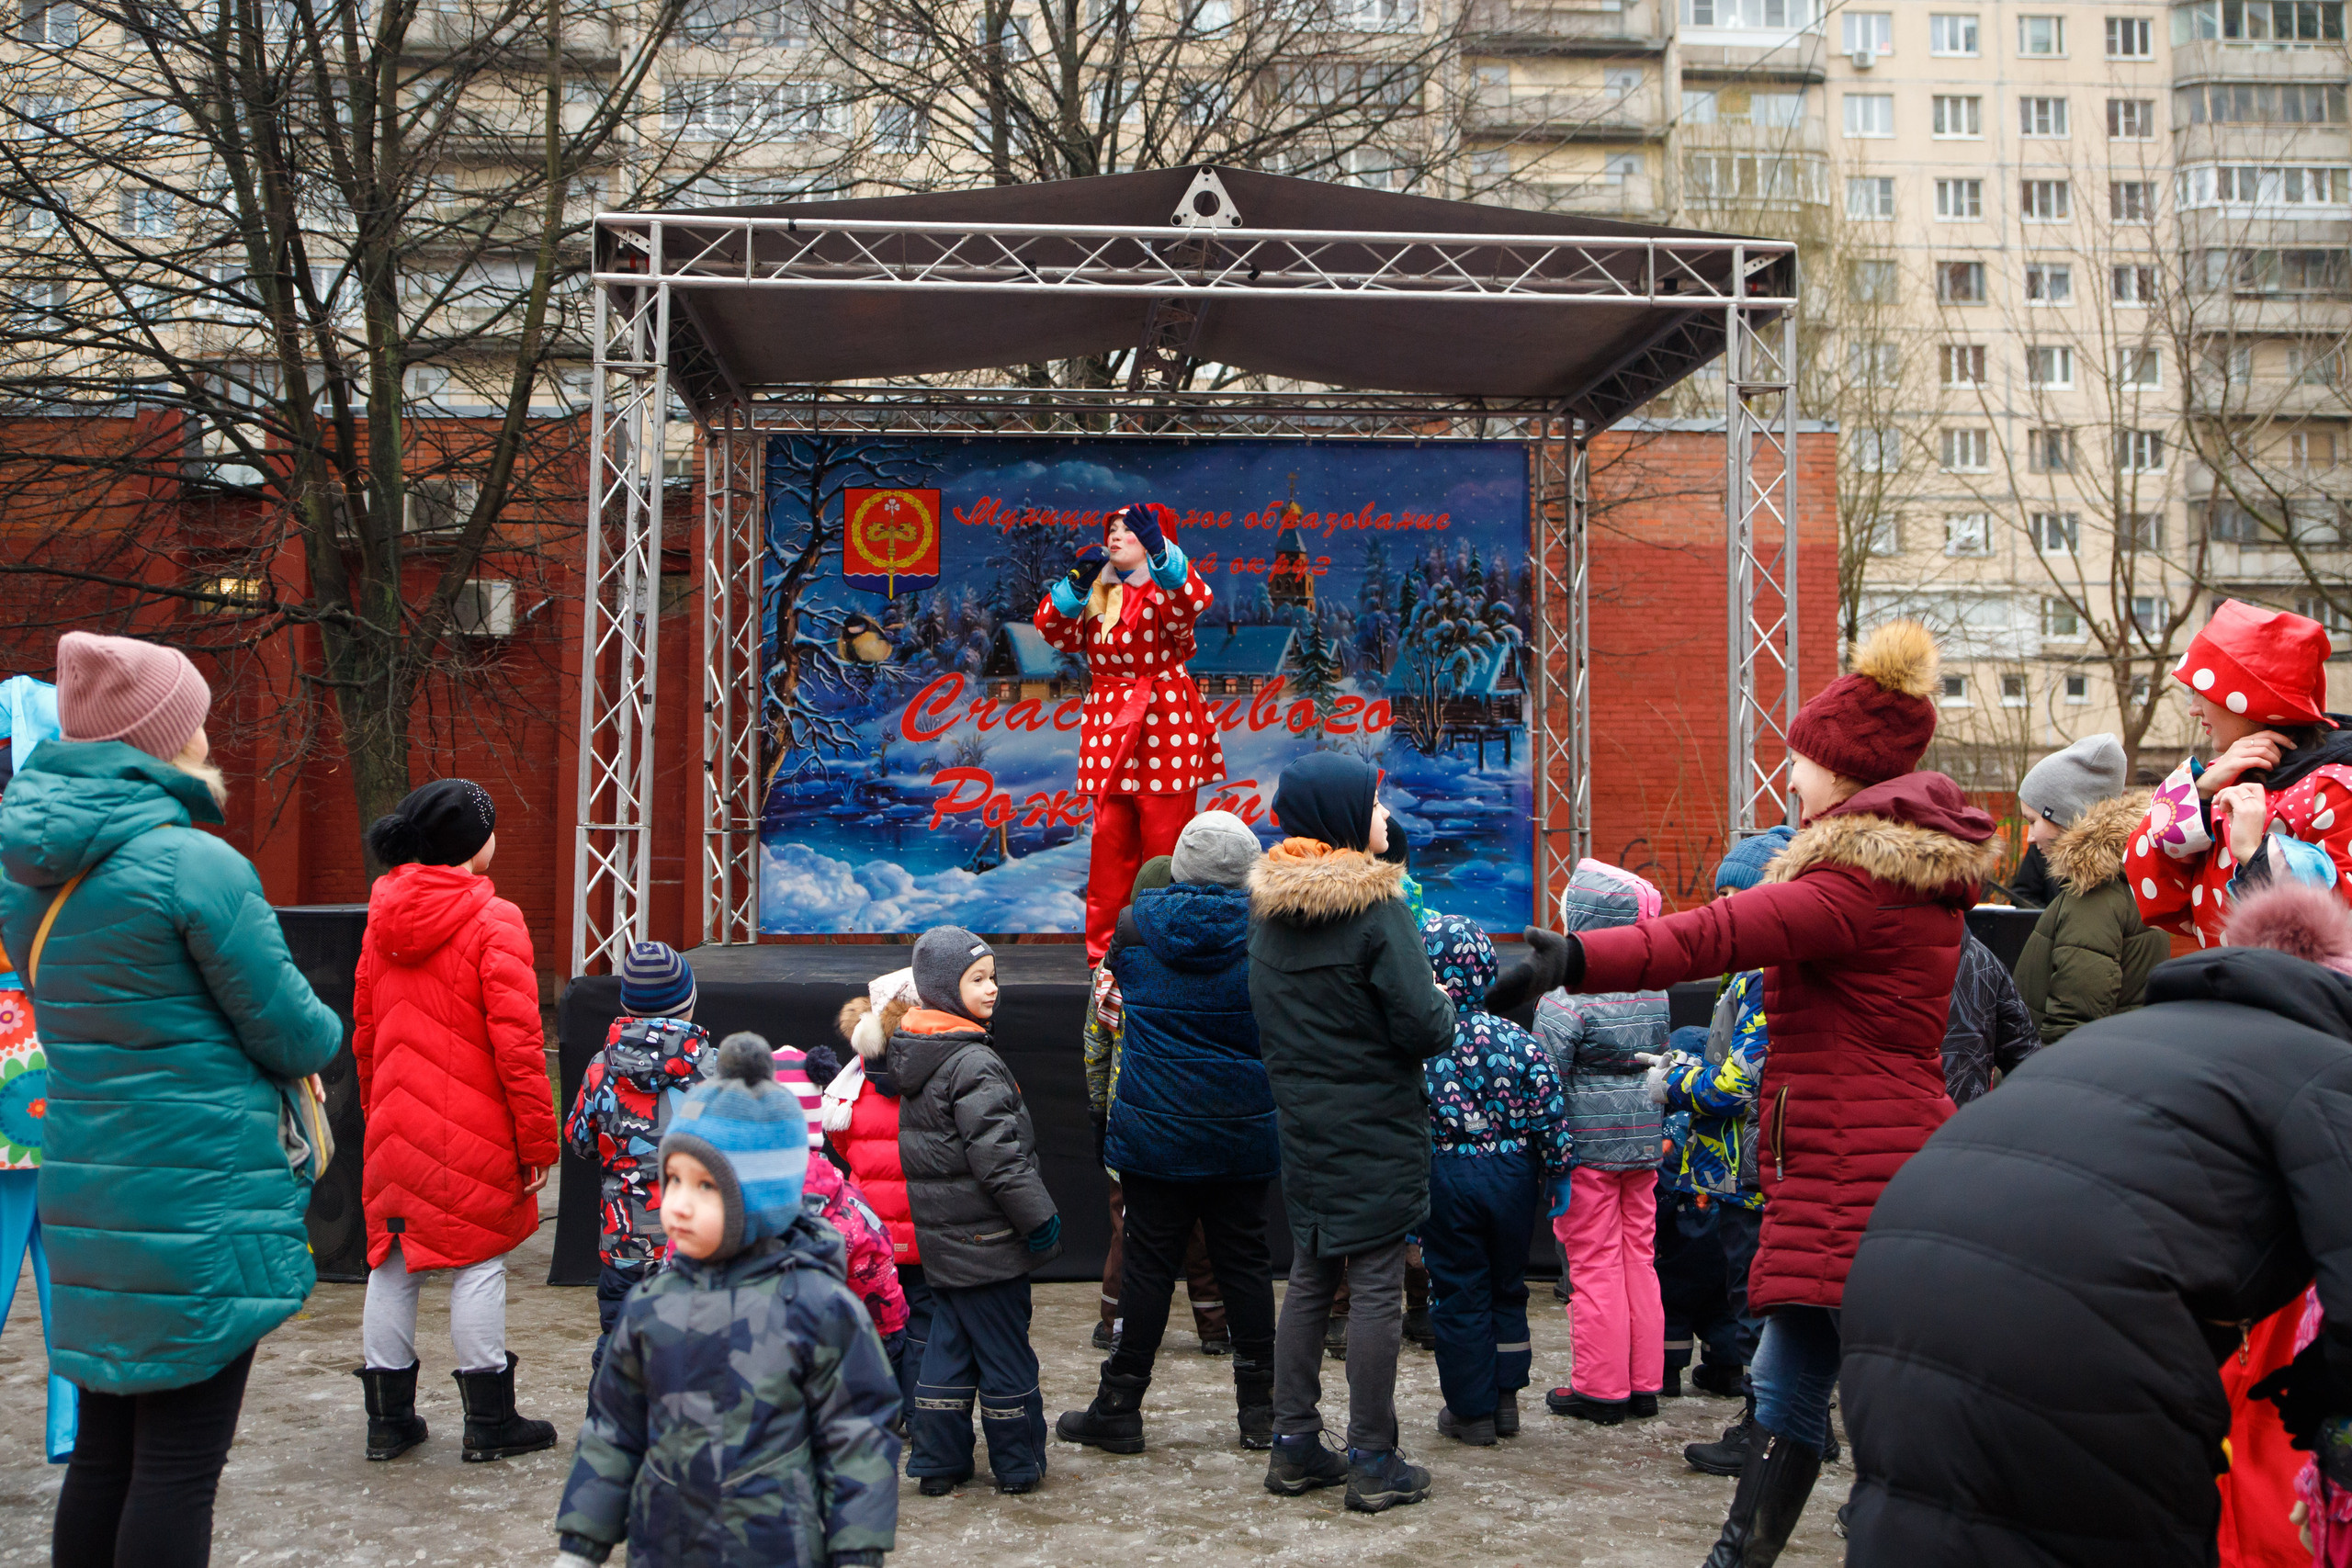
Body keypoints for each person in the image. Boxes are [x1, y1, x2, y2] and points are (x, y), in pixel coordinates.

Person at [1489, 620, 2001, 1568]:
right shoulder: (1884, 875)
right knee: (1797, 1373)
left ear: (1843, 773)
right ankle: (1751, 1554)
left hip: (1859, 1161)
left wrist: (1573, 958)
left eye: (1799, 760)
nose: (1788, 778)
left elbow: (1708, 937)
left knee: (1844, 1386)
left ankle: (1830, 1546)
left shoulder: (1855, 882)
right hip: (1857, 1151)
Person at [1838, 882, 2352, 1568]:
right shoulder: (2328, 1069)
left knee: (1933, 1523)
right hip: (2080, 1323)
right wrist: (2323, 1388)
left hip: (1894, 1284)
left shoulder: (2120, 1040)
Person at [0, 632, 342, 1566]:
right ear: (160, 738)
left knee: (106, 1454)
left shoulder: (32, 876)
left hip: (92, 1192)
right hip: (198, 1197)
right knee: (181, 1465)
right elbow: (296, 1032)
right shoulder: (196, 866)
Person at [553, 1033, 900, 1567]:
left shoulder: (817, 1308)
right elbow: (613, 1431)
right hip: (664, 1548)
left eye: (706, 1188)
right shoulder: (651, 1305)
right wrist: (582, 1543)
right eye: (672, 1180)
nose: (678, 1206)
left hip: (776, 1548)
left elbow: (858, 1436)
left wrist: (858, 1549)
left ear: (758, 1198)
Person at [1247, 751, 1457, 1515]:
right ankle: (1374, 1457)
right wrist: (1438, 996)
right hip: (1375, 1128)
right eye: (1372, 805)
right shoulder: (1376, 912)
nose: (1384, 818)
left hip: (1305, 1128)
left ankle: (1294, 1443)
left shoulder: (1269, 914)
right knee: (1375, 1286)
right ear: (1342, 817)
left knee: (1309, 1277)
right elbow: (1426, 1026)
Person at [351, 777, 561, 1464]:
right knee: (478, 1264)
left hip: (394, 1130)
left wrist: (378, 1114)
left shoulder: (380, 917)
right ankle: (489, 1422)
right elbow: (520, 1044)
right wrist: (536, 1139)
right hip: (472, 1132)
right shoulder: (493, 920)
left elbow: (366, 1032)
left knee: (393, 1262)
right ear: (472, 844)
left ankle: (388, 1422)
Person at [1058, 810, 1280, 1454]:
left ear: (1180, 865)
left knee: (1149, 1270)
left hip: (1155, 1134)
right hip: (1243, 1133)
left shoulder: (1132, 933)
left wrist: (1104, 1119)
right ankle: (1261, 1412)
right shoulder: (1270, 937)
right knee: (1246, 1266)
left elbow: (1105, 1024)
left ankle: (1119, 1407)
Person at [890, 926, 1062, 1495]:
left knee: (948, 1346)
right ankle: (1017, 1465)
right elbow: (1000, 1162)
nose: (993, 990)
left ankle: (938, 1463)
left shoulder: (918, 1055)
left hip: (943, 1244)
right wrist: (1039, 1221)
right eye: (978, 980)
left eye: (993, 977)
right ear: (943, 990)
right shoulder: (971, 1064)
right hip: (988, 1242)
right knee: (1005, 1351)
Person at [1034, 501, 1225, 963]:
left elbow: (1194, 602)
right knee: (1110, 842)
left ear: (1156, 542)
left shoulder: (1167, 589)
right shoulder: (1099, 591)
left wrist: (1162, 554)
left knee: (1164, 840)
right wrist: (1075, 585)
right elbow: (1052, 632)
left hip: (1165, 718)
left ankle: (1163, 949)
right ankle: (1105, 957)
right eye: (1112, 529)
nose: (1116, 535)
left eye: (1131, 530)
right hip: (1109, 721)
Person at [1417, 911, 1570, 1447]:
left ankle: (1471, 1410)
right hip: (1512, 1175)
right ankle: (1506, 1400)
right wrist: (1559, 1173)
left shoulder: (1420, 1042)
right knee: (1508, 1285)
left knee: (1459, 1292)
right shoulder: (1519, 1039)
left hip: (1447, 1172)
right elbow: (1549, 1110)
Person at [2128, 598, 2352, 949]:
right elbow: (2158, 896)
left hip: (2299, 1000)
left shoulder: (2335, 787)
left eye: (2203, 693)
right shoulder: (2220, 778)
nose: (2193, 709)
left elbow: (2340, 923)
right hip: (2224, 989)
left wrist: (2257, 854)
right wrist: (2200, 793)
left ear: (2252, 696)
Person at [1535, 860, 1670, 1426]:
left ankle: (1599, 1386)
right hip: (1642, 1143)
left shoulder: (1565, 997)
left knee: (1592, 1265)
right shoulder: (1655, 988)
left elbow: (1545, 1080)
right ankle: (1644, 1382)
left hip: (1586, 1150)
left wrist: (1548, 1155)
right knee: (1639, 1256)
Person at [1081, 855, 1230, 1358]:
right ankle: (1216, 1329)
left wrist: (1100, 1113)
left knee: (1131, 1228)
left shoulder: (1115, 968)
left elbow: (1095, 1050)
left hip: (1134, 1124)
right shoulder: (1207, 963)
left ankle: (1115, 1324)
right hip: (1202, 1119)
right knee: (1206, 1230)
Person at [563, 940, 716, 1380]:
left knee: (618, 1349)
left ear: (627, 1006)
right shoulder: (715, 1070)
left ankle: (609, 1437)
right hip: (696, 1246)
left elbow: (579, 1140)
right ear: (689, 1004)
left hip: (625, 1246)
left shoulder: (600, 1068)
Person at [2010, 734, 2168, 1044]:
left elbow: (2072, 1025)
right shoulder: (2124, 879)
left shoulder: (2093, 898)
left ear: (2064, 815)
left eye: (2033, 821)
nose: (2029, 837)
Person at [830, 968, 931, 1413]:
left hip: (871, 1236)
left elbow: (841, 1143)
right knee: (926, 1327)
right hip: (927, 1229)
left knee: (876, 1324)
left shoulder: (851, 1086)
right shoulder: (937, 1079)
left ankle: (879, 1408)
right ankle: (921, 1410)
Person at [1937, 929, 2038, 1106]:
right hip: (1960, 1121)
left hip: (1883, 1118)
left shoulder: (1875, 959)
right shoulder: (1983, 960)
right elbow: (2028, 1064)